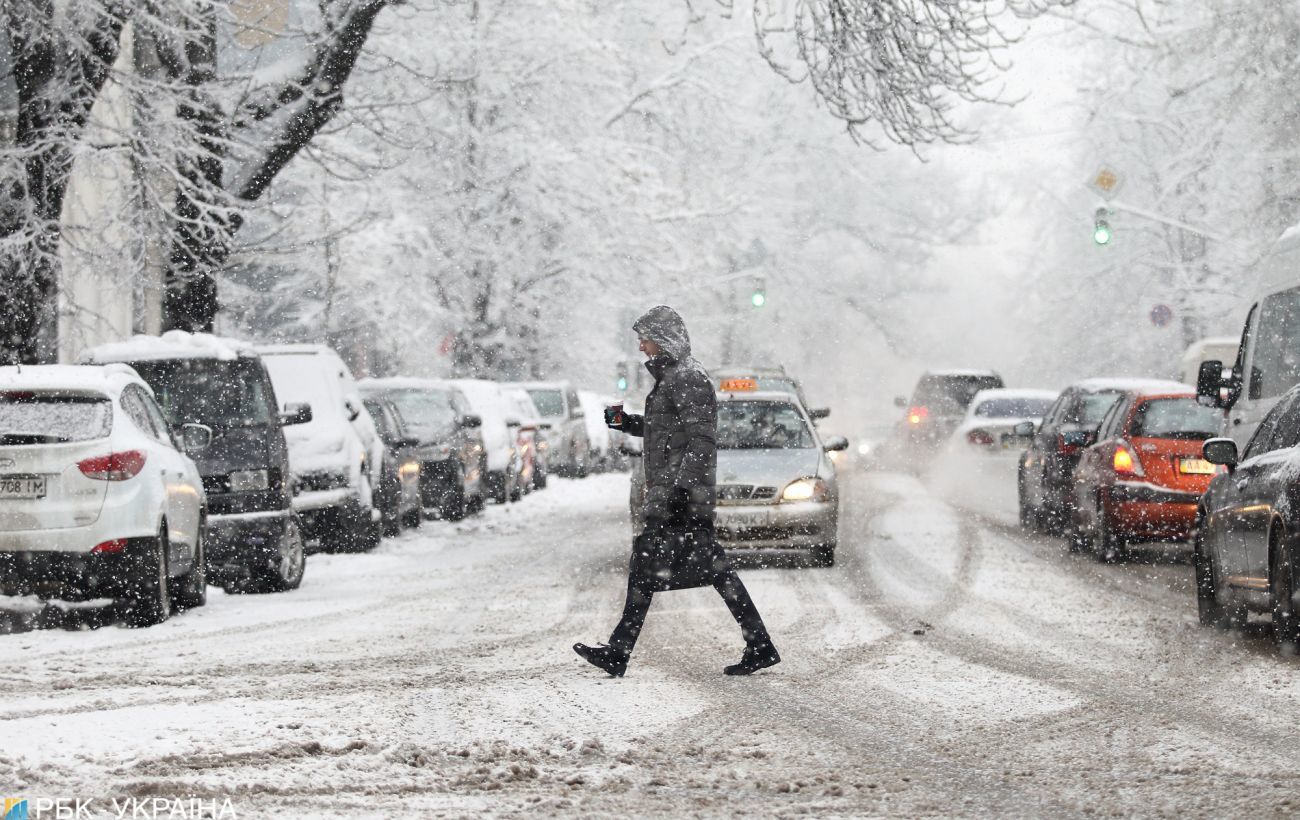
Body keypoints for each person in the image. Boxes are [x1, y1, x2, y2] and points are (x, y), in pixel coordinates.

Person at [573, 305, 780, 678]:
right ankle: (759, 644)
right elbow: (668, 432)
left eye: (645, 338)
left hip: (680, 494)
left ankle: (621, 651)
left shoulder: (688, 378)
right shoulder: (672, 378)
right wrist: (626, 422)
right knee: (689, 567)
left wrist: (683, 492)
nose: (640, 346)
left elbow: (702, 440)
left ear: (663, 338)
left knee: (665, 564)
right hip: (673, 491)